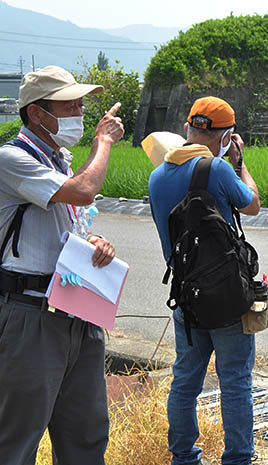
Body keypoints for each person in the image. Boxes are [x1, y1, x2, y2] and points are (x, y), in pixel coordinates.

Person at [0, 65, 124, 464]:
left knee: (86, 434)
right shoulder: (11, 159)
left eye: (80, 105)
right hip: (29, 314)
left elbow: (67, 223)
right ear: (37, 114)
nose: (79, 113)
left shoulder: (61, 159)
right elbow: (84, 192)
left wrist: (93, 243)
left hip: (76, 308)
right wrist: (103, 143)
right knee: (17, 437)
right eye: (68, 106)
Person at [148, 96, 261, 465]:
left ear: (187, 129)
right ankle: (238, 459)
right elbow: (252, 204)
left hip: (186, 297)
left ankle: (183, 457)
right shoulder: (217, 168)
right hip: (227, 298)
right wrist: (240, 164)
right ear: (226, 136)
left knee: (185, 381)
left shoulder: (156, 176)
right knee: (235, 382)